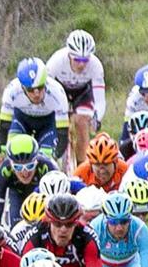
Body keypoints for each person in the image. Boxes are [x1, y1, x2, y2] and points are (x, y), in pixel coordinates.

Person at [45, 30, 105, 167]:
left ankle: (82, 165)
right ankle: (56, 157)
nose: (81, 64)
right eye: (77, 59)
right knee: (59, 122)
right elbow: (47, 91)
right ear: (69, 55)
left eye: (85, 60)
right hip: (60, 92)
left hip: (83, 93)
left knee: (81, 121)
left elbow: (100, 99)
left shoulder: (96, 66)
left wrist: (97, 118)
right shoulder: (56, 61)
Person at [0, 57, 70, 159]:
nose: (36, 94)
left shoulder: (57, 93)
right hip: (21, 119)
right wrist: (1, 149)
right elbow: (4, 127)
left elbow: (63, 133)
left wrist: (56, 156)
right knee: (15, 153)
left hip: (48, 123)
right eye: (31, 90)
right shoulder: (11, 91)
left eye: (40, 88)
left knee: (46, 158)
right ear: (23, 87)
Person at [0, 132, 59, 226]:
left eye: (30, 166)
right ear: (11, 164)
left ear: (36, 161)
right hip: (17, 193)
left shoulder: (47, 166)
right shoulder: (5, 170)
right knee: (16, 226)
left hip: (41, 194)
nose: (25, 172)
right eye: (18, 167)